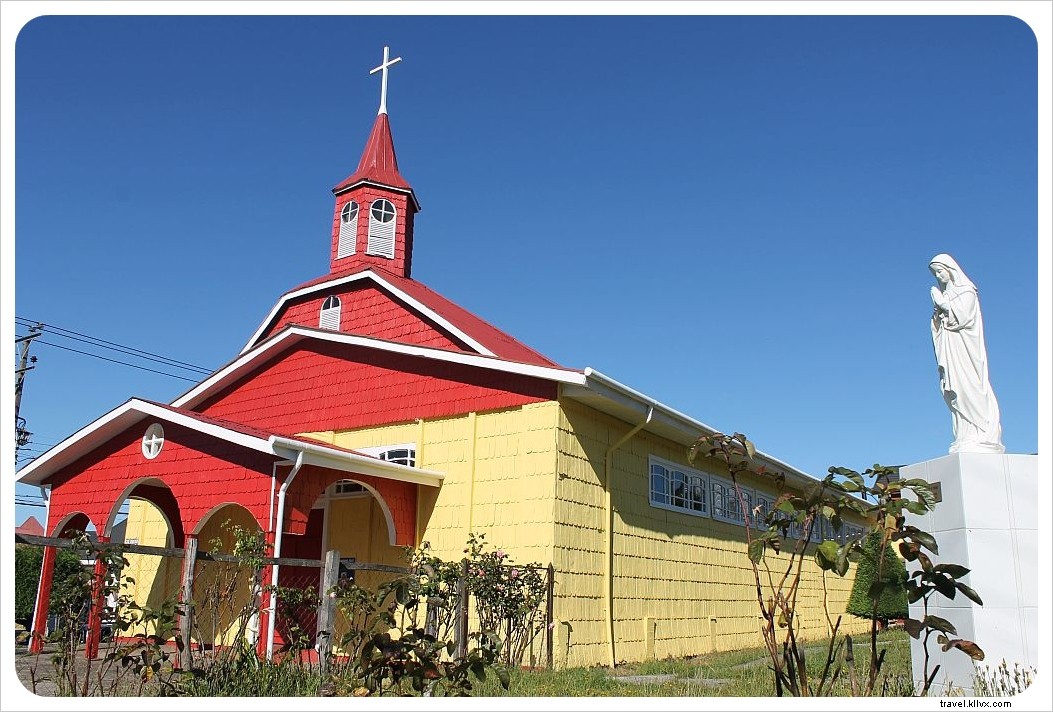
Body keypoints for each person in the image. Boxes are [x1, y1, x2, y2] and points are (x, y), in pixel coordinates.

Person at [928, 254, 1004, 453]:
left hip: (966, 351)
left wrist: (943, 305)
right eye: (935, 273)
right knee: (956, 392)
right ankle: (966, 435)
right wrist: (937, 314)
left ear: (951, 270)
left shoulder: (966, 291)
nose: (938, 276)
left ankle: (982, 433)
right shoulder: (946, 295)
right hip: (951, 350)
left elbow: (963, 319)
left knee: (970, 386)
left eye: (940, 271)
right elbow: (940, 325)